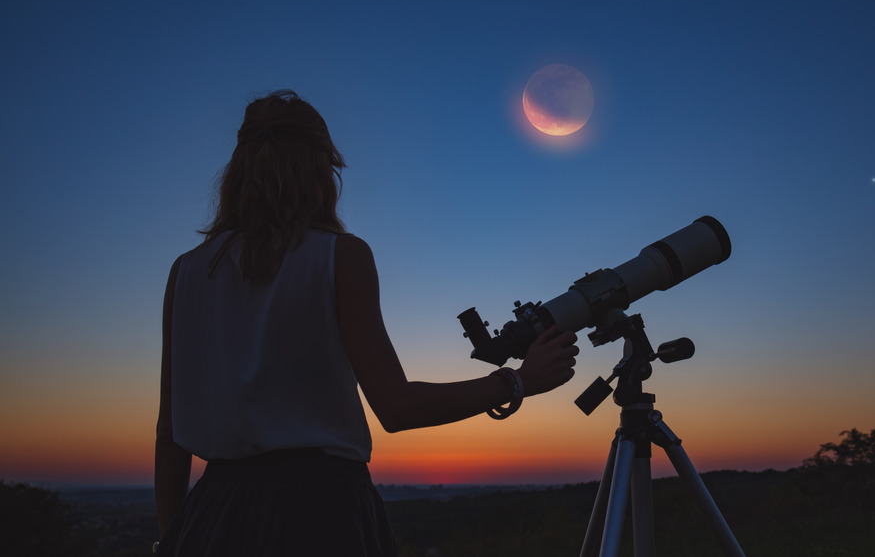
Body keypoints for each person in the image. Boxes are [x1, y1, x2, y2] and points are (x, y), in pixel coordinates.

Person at [154, 90, 579, 556]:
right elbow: (396, 408)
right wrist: (518, 381)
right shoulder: (340, 257)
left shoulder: (188, 270)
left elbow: (170, 433)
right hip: (319, 513)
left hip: (214, 516)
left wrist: (172, 537)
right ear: (320, 170)